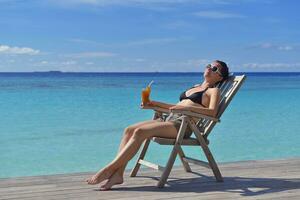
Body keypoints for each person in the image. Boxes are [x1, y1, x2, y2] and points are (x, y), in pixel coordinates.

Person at [86, 60, 229, 190]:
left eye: (215, 68)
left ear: (220, 77)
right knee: (129, 129)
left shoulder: (213, 91)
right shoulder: (195, 87)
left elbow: (212, 112)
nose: (209, 68)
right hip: (169, 120)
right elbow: (174, 106)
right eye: (209, 65)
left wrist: (187, 109)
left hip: (182, 126)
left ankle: (109, 169)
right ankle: (118, 174)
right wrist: (153, 103)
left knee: (140, 132)